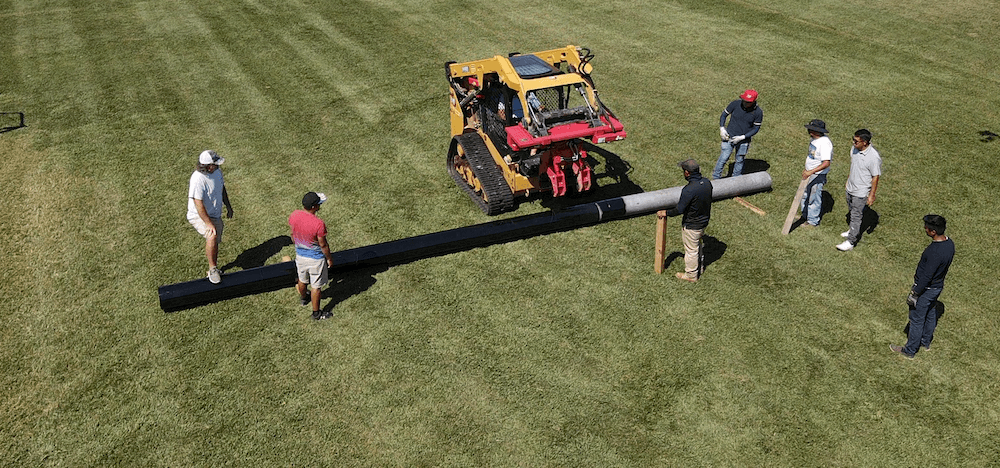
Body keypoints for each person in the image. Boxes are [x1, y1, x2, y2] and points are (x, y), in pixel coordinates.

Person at [891, 215, 955, 359]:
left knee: (916, 318)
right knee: (931, 312)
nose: (924, 229)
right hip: (937, 287)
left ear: (933, 232)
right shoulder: (949, 244)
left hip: (926, 289)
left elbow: (927, 276)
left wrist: (915, 292)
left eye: (926, 227)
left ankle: (910, 350)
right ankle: (925, 342)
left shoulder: (934, 252)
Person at [187, 150, 233, 284]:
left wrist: (228, 206)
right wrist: (208, 223)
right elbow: (198, 203)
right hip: (198, 215)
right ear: (207, 166)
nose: (218, 166)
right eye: (215, 164)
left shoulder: (217, 172)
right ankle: (212, 269)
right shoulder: (197, 179)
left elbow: (221, 188)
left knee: (215, 240)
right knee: (211, 235)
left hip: (214, 214)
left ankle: (215, 266)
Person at [289, 191, 334, 320]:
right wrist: (329, 259)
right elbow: (323, 245)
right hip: (316, 260)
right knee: (316, 286)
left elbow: (293, 235)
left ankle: (304, 299)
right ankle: (316, 313)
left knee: (302, 279)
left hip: (300, 256)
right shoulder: (319, 224)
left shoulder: (294, 215)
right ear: (314, 207)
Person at [666, 159, 713, 282]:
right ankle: (699, 268)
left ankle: (691, 275)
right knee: (698, 246)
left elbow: (679, 209)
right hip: (704, 221)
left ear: (687, 173)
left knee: (691, 250)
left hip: (692, 224)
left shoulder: (689, 190)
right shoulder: (707, 183)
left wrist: (666, 213)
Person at [836, 129, 882, 251]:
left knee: (856, 215)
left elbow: (875, 176)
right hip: (850, 187)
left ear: (865, 142)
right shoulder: (854, 149)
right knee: (852, 210)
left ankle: (851, 242)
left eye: (856, 141)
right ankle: (853, 230)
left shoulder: (873, 157)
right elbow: (853, 166)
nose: (853, 143)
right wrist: (848, 181)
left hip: (861, 192)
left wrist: (872, 195)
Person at [712, 89, 763, 180]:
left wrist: (743, 137)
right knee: (723, 158)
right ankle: (716, 178)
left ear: (753, 102)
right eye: (744, 101)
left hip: (743, 141)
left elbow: (756, 128)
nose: (745, 103)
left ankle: (736, 180)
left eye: (748, 102)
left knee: (739, 160)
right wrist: (722, 128)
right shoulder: (735, 104)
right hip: (729, 137)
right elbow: (724, 115)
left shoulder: (758, 112)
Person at [800, 119, 833, 227]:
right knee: (805, 195)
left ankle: (812, 221)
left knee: (813, 198)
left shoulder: (825, 144)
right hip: (809, 173)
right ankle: (805, 215)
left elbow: (826, 163)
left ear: (816, 131)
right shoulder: (814, 139)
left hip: (817, 175)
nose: (809, 131)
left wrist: (811, 172)